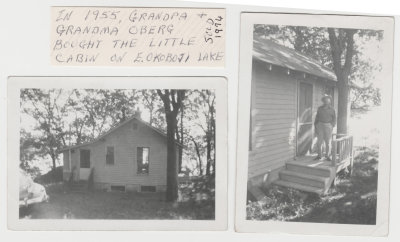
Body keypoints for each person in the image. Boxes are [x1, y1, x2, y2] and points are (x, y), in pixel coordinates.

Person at [314, 95, 336, 161]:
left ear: (329, 101)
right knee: (319, 142)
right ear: (323, 101)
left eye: (327, 100)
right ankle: (319, 155)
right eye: (325, 100)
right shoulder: (319, 108)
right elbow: (317, 117)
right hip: (320, 125)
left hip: (328, 125)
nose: (326, 101)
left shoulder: (332, 109)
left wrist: (332, 125)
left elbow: (334, 118)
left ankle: (328, 156)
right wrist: (316, 125)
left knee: (328, 142)